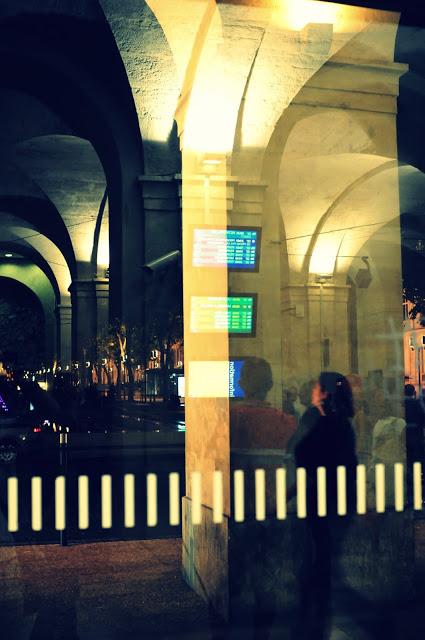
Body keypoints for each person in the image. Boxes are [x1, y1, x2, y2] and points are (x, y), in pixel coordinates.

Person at [289, 371, 358, 640]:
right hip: (329, 499)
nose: (312, 389)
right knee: (321, 556)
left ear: (325, 392)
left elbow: (310, 460)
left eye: (317, 386)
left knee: (318, 558)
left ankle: (316, 612)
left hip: (322, 500)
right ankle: (317, 609)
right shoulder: (331, 421)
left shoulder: (325, 422)